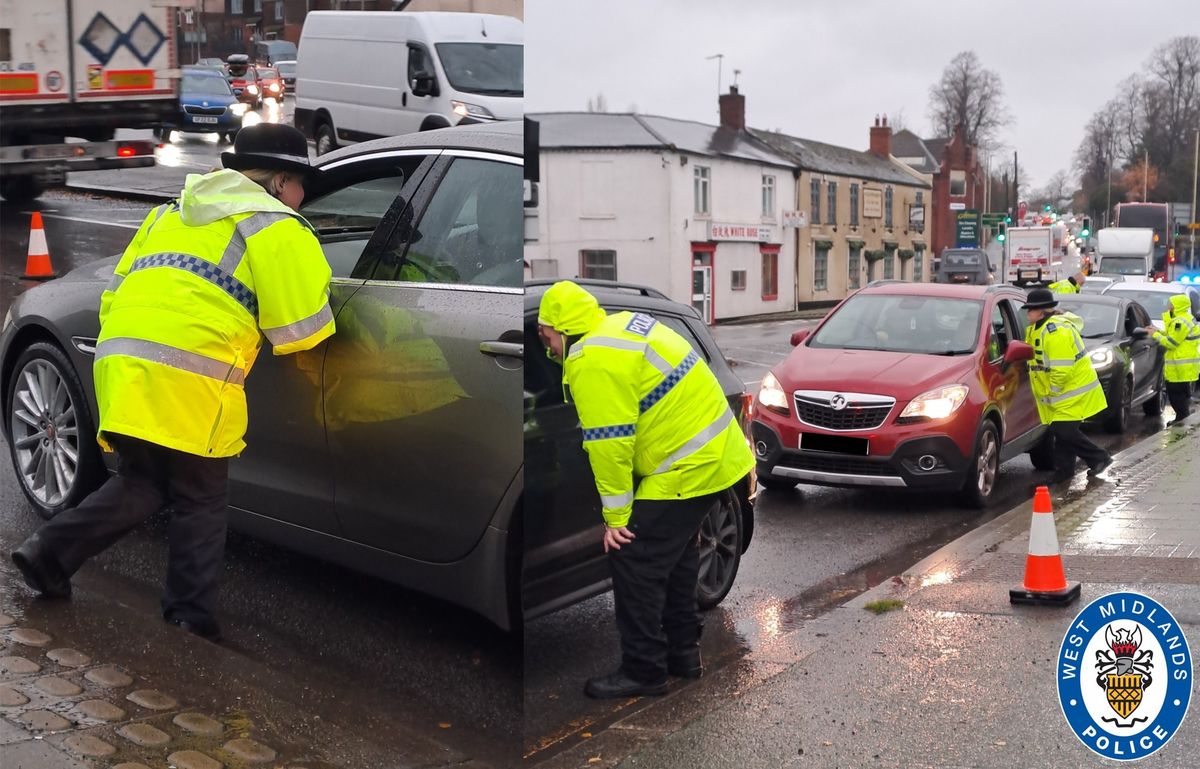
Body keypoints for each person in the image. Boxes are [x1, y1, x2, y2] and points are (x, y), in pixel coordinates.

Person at [11, 124, 335, 641]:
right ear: (278, 182)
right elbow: (303, 331)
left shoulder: (169, 212)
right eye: (301, 186)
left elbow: (115, 291)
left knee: (142, 483)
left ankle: (47, 553)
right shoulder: (278, 225)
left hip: (122, 363)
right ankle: (189, 620)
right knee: (200, 498)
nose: (303, 198)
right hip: (192, 377)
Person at [536, 281, 753, 699]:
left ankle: (644, 670)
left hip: (686, 464)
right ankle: (683, 656)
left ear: (562, 327)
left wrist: (615, 521)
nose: (544, 341)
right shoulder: (620, 329)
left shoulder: (592, 359)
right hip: (714, 455)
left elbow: (610, 444)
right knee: (675, 555)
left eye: (545, 332)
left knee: (633, 555)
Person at [1021, 287, 1113, 480]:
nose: (1027, 313)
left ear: (1041, 312)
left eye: (1030, 309)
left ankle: (1099, 457)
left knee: (1064, 431)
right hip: (1063, 392)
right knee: (1062, 433)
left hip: (1070, 391)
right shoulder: (1037, 329)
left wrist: (1052, 391)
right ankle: (1064, 473)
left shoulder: (1055, 332)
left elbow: (1061, 369)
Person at [1144, 294, 1200, 423]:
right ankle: (1182, 419)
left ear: (1176, 306)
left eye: (1170, 303)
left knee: (1176, 395)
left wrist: (1155, 335)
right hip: (1183, 367)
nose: (1168, 306)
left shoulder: (1180, 321)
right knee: (1181, 394)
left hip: (1179, 367)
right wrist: (1158, 331)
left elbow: (1171, 343)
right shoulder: (1185, 319)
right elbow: (1174, 336)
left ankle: (1181, 421)